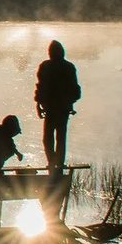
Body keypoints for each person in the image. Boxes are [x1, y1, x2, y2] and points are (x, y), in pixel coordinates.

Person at [34, 40, 81, 169]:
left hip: (54, 109)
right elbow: (75, 91)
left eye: (51, 51)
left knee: (49, 137)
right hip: (60, 109)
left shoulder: (46, 66)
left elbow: (40, 87)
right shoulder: (68, 67)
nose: (50, 53)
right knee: (59, 137)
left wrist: (39, 104)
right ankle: (57, 162)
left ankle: (53, 162)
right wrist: (69, 102)